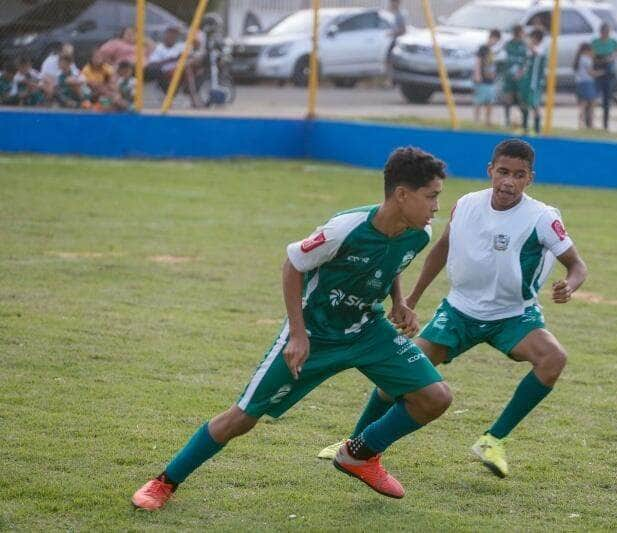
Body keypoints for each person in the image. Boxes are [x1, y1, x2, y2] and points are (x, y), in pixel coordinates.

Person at [131, 147, 453, 510]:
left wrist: (399, 303)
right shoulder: (344, 229)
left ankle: (360, 454)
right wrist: (298, 335)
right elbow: (292, 266)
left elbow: (393, 263)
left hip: (368, 329)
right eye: (432, 196)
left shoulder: (419, 232)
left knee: (435, 397)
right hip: (315, 335)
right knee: (242, 418)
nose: (436, 207)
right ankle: (164, 482)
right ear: (401, 194)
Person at [318, 139, 588, 479]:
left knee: (554, 358)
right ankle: (354, 443)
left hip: (514, 315)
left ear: (529, 178)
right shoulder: (466, 205)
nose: (509, 181)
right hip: (459, 310)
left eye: (519, 175)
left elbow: (577, 266)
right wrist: (410, 300)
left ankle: (493, 440)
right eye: (503, 172)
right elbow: (440, 250)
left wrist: (570, 285)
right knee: (398, 375)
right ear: (490, 170)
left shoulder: (542, 218)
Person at [591, 23, 617, 131]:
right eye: (603, 31)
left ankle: (605, 123)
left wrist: (611, 58)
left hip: (608, 72)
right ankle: (590, 121)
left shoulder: (613, 42)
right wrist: (603, 59)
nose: (605, 33)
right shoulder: (596, 42)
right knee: (593, 97)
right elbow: (593, 56)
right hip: (598, 69)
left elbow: (616, 54)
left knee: (607, 100)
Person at [501, 25, 529, 132]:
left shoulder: (524, 45)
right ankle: (507, 121)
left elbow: (527, 61)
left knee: (521, 99)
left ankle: (525, 123)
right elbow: (503, 58)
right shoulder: (508, 45)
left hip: (521, 78)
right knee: (508, 98)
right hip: (509, 77)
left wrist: (522, 72)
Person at [472, 29, 501, 126]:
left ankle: (488, 120)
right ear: (491, 37)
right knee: (479, 100)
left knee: (490, 101)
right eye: (495, 39)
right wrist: (477, 74)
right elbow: (478, 61)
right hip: (482, 79)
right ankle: (476, 120)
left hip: (490, 79)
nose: (495, 42)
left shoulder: (492, 50)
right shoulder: (483, 48)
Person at [521, 29, 547, 135]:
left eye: (532, 38)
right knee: (524, 103)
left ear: (537, 39)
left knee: (535, 105)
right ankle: (525, 128)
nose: (531, 40)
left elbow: (535, 51)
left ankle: (537, 130)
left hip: (535, 83)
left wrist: (525, 39)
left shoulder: (541, 49)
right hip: (527, 81)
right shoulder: (530, 50)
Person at [574, 43, 599, 128]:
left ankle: (581, 123)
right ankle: (590, 123)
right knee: (591, 104)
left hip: (580, 82)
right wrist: (600, 73)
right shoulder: (586, 59)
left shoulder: (579, 59)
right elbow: (590, 72)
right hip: (587, 82)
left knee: (582, 104)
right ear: (586, 51)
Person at [384, 0, 408, 87]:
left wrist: (392, 33)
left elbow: (403, 30)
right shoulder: (392, 14)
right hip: (392, 40)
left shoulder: (400, 15)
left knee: (391, 61)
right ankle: (391, 80)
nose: (392, 4)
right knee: (388, 61)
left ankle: (392, 81)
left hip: (397, 41)